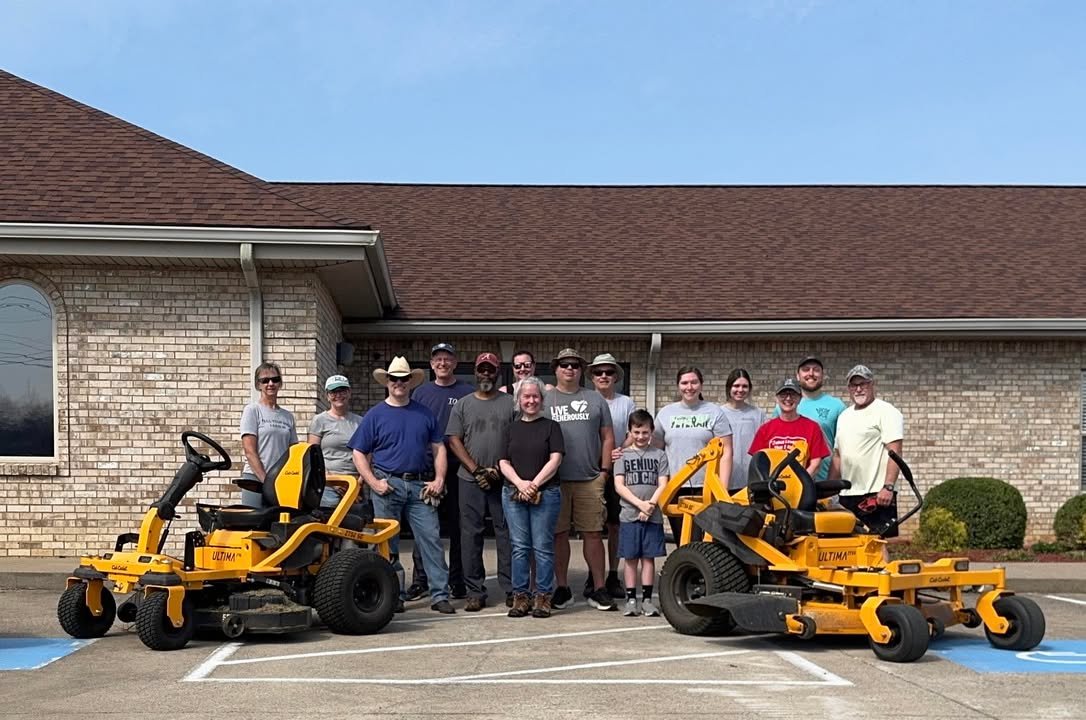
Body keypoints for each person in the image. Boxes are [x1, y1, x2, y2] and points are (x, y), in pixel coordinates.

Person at [348, 356, 454, 614]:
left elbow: (439, 448)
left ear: (410, 382)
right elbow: (358, 453)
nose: (399, 383)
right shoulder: (374, 415)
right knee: (387, 545)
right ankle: (393, 595)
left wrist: (439, 479)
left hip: (420, 486)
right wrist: (374, 482)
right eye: (394, 379)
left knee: (431, 540)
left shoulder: (424, 413)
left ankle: (440, 594)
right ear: (387, 382)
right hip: (388, 485)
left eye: (403, 379)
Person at [543, 348, 616, 611]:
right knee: (558, 535)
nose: (569, 369)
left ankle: (598, 588)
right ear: (556, 369)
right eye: (564, 365)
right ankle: (562, 588)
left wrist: (604, 472)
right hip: (555, 481)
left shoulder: (595, 400)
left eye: (574, 365)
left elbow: (607, 437)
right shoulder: (545, 400)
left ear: (580, 370)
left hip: (589, 479)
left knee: (593, 534)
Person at [446, 352, 515, 611]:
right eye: (482, 369)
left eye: (491, 370)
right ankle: (475, 590)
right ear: (475, 372)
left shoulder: (511, 403)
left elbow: (517, 438)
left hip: (504, 480)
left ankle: (511, 588)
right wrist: (476, 471)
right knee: (470, 535)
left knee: (506, 534)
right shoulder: (463, 404)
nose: (486, 374)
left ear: (497, 373)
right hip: (469, 480)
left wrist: (499, 469)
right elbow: (454, 440)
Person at [407, 342, 473, 601]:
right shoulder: (420, 393)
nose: (442, 363)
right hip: (426, 469)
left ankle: (457, 581)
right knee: (424, 528)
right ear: (431, 364)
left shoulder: (467, 392)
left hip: (458, 470)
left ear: (455, 363)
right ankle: (421, 580)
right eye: (438, 359)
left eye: (447, 359)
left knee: (458, 528)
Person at [500, 376, 565, 618]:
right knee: (519, 547)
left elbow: (555, 459)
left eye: (535, 396)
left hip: (545, 494)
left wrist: (534, 485)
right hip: (513, 493)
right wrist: (520, 483)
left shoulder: (552, 427)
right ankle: (520, 597)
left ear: (542, 399)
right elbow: (502, 462)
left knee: (543, 547)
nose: (531, 400)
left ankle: (543, 597)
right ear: (519, 400)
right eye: (526, 396)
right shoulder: (510, 428)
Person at [654, 366, 732, 544]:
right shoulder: (666, 413)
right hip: (675, 487)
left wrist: (723, 490)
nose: (689, 387)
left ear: (701, 385)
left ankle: (700, 572)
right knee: (681, 539)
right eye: (684, 383)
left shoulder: (714, 412)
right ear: (678, 386)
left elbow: (727, 451)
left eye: (694, 382)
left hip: (705, 487)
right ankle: (683, 572)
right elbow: (656, 453)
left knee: (703, 542)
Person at [829, 365, 905, 537]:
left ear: (872, 384)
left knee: (877, 545)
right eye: (853, 385)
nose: (858, 389)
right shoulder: (844, 416)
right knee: (846, 546)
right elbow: (838, 455)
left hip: (876, 495)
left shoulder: (886, 412)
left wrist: (888, 487)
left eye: (863, 383)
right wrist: (828, 490)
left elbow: (895, 452)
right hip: (847, 495)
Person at [613, 410, 669, 617]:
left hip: (652, 517)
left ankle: (646, 599)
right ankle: (630, 599)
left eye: (645, 432)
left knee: (648, 558)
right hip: (629, 515)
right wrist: (640, 505)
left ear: (652, 432)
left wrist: (651, 505)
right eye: (636, 432)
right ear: (630, 431)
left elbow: (663, 483)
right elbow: (619, 485)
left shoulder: (659, 455)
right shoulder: (622, 455)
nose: (641, 436)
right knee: (630, 558)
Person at [588, 352, 634, 600]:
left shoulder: (626, 403)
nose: (604, 376)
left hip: (618, 469)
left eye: (608, 372)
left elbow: (634, 431)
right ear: (592, 377)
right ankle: (592, 576)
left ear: (616, 376)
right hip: (590, 469)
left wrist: (620, 450)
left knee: (615, 525)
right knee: (591, 527)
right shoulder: (584, 400)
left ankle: (613, 574)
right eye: (598, 372)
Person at [238, 362, 297, 508]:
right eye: (265, 380)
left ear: (280, 383)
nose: (270, 383)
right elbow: (249, 452)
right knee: (253, 525)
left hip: (280, 481)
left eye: (275, 379)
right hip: (256, 479)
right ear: (258, 385)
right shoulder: (252, 411)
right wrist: (266, 481)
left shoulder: (287, 416)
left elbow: (293, 452)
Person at [780, 356, 846, 484]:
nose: (811, 373)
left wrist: (831, 482)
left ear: (822, 375)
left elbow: (842, 449)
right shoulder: (784, 406)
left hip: (824, 482)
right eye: (806, 369)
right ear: (798, 375)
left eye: (816, 370)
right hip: (789, 483)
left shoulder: (837, 406)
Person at [749, 378, 830, 477]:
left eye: (793, 394)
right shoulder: (765, 429)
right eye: (783, 394)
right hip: (772, 488)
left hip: (802, 488)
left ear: (800, 398)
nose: (788, 398)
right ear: (777, 398)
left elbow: (815, 464)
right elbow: (758, 463)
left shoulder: (812, 427)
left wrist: (801, 483)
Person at [307, 374, 364, 509]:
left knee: (354, 527)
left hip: (354, 486)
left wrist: (359, 482)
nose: (338, 395)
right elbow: (311, 454)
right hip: (327, 486)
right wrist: (331, 480)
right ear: (327, 395)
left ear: (349, 393)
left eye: (342, 390)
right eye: (333, 392)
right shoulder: (319, 420)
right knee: (328, 527)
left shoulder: (360, 422)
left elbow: (366, 454)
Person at [719, 368, 765, 491]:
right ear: (729, 388)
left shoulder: (758, 414)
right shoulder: (718, 414)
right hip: (725, 481)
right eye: (736, 386)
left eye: (744, 386)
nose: (740, 390)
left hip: (751, 480)